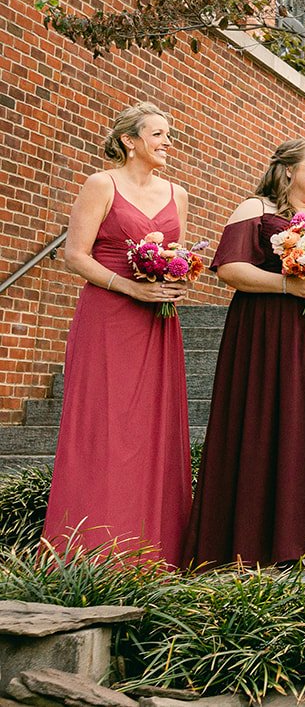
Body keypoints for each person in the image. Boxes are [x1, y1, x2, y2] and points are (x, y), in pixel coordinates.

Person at [184, 139, 305, 567]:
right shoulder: (255, 209)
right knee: (265, 421)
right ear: (288, 170)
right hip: (269, 332)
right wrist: (287, 284)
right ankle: (250, 539)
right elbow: (231, 269)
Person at [43, 102, 193, 565]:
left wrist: (177, 278)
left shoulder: (178, 193)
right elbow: (75, 255)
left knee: (152, 431)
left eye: (169, 135)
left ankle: (153, 551)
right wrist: (129, 286)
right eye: (159, 134)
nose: (168, 143)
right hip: (108, 317)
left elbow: (178, 252)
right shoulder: (101, 184)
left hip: (157, 323)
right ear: (130, 141)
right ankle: (87, 550)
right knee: (103, 428)